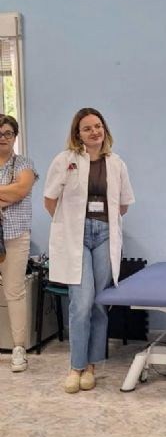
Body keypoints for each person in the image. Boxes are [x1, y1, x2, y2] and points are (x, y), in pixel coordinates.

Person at [44, 108, 135, 394]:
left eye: (98, 126)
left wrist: (103, 223)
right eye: (87, 128)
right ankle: (76, 366)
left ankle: (92, 365)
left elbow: (123, 204)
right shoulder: (65, 160)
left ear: (104, 129)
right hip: (77, 236)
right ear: (78, 134)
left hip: (105, 234)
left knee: (98, 302)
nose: (94, 132)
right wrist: (69, 226)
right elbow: (50, 200)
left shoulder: (116, 163)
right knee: (81, 303)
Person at [0, 114, 37, 372]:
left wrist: (15, 191)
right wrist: (8, 192)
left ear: (15, 136)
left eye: (8, 133)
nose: (3, 138)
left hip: (14, 236)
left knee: (14, 292)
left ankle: (18, 349)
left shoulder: (23, 163)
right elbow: (12, 193)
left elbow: (21, 190)